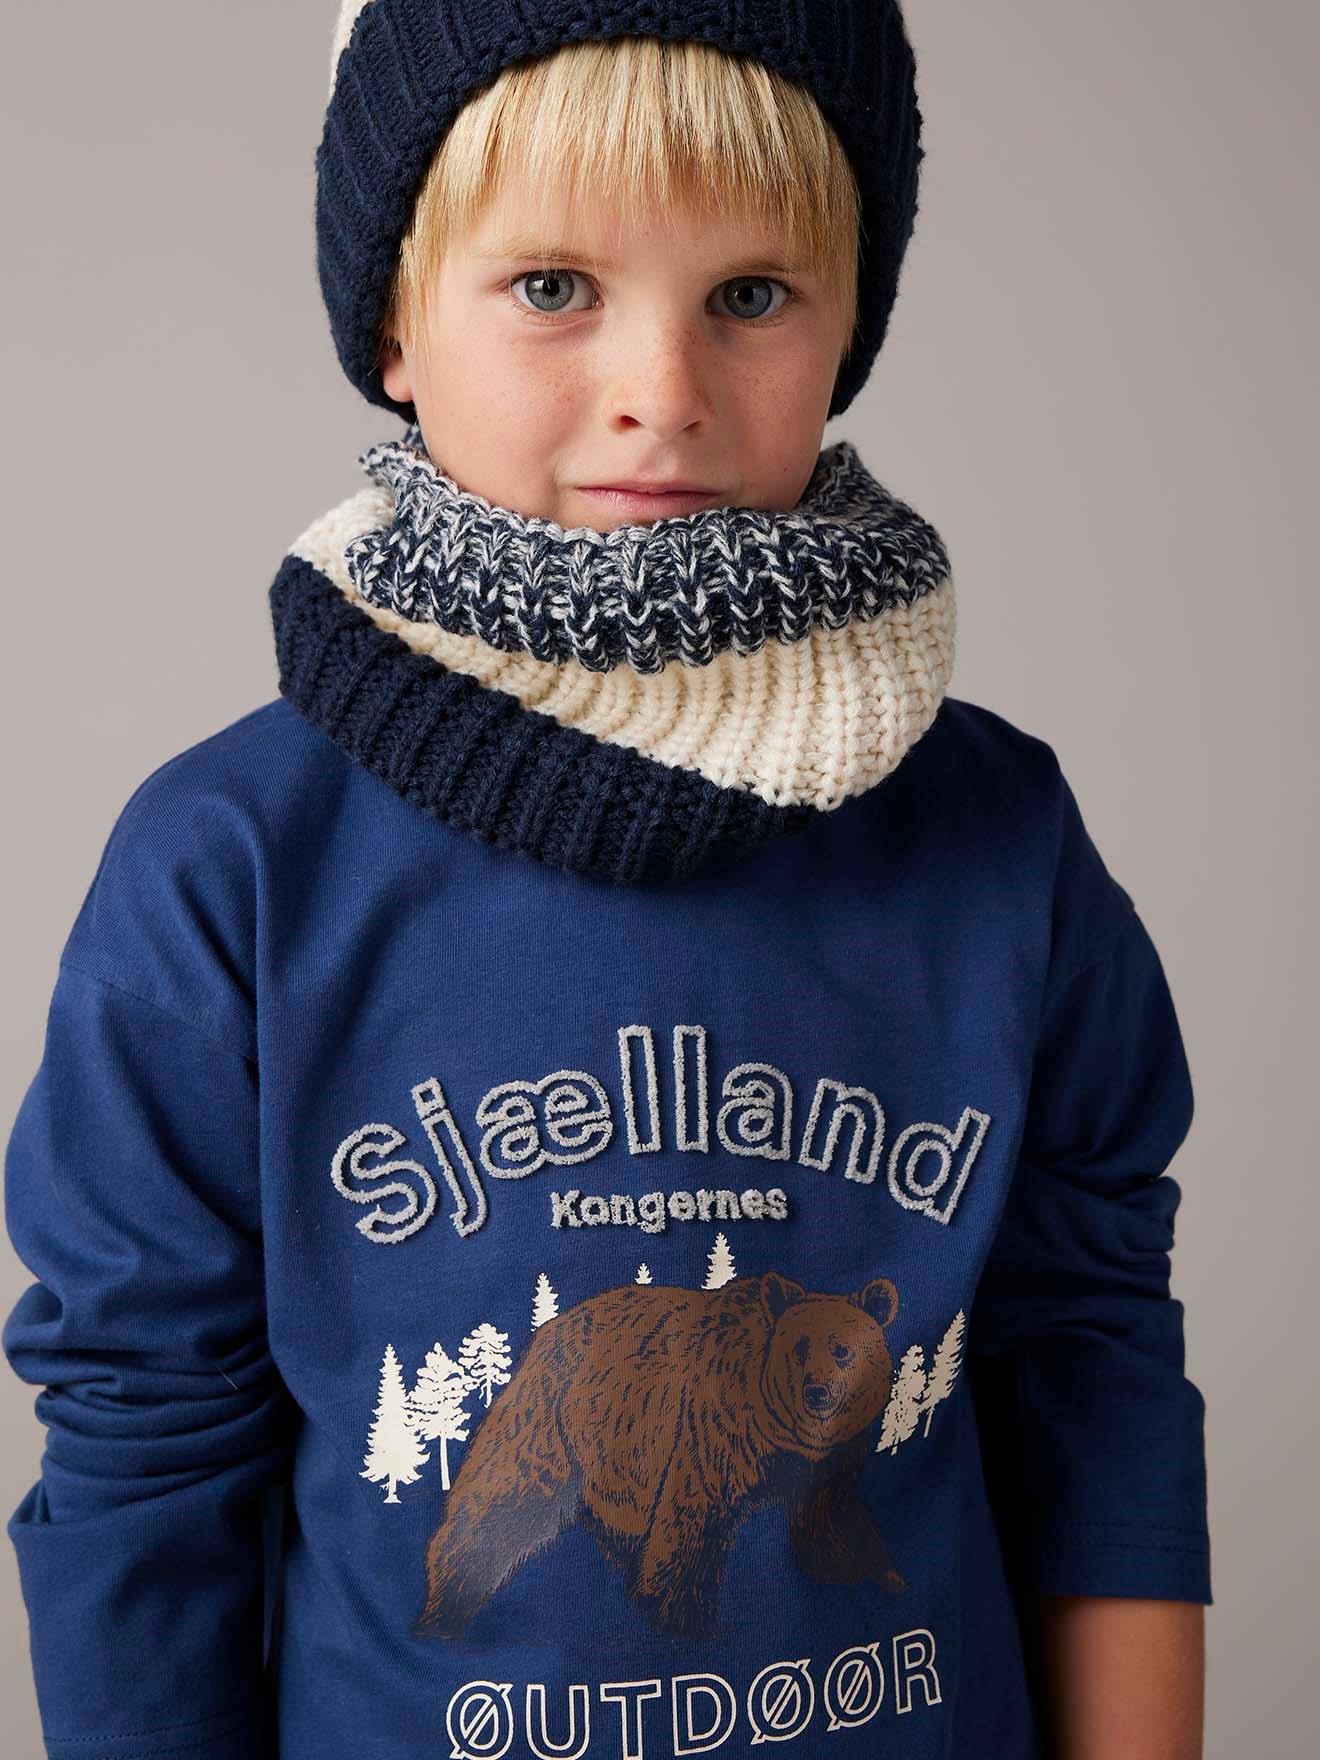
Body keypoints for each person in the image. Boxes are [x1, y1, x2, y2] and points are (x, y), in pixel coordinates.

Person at [2, 5, 1212, 1758]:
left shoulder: (995, 836)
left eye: (750, 294)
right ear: (396, 321)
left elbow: (1092, 1361)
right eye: (554, 286)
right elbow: (143, 1442)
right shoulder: (230, 865)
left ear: (848, 323)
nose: (664, 390)